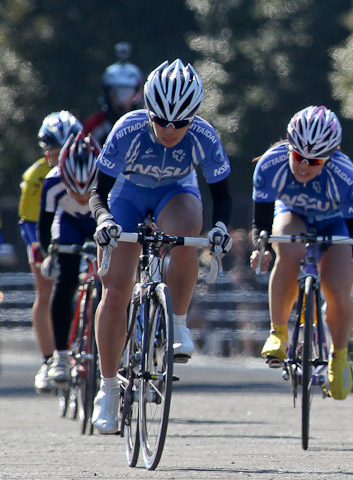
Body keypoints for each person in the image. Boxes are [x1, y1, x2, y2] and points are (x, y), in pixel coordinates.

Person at [89, 59, 233, 433]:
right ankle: (106, 389)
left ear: (194, 117)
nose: (171, 130)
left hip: (175, 193)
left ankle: (178, 322)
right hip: (127, 196)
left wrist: (219, 228)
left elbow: (222, 196)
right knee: (116, 288)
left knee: (188, 232)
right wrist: (105, 221)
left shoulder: (205, 135)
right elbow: (98, 192)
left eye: (180, 123)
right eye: (162, 121)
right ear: (148, 112)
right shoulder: (127, 129)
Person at [250, 105, 353, 401]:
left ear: (330, 157)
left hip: (336, 221)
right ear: (289, 149)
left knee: (337, 289)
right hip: (293, 213)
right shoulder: (269, 164)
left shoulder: (344, 174)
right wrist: (261, 248)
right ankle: (278, 332)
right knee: (287, 249)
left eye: (315, 161)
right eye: (298, 157)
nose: (304, 166)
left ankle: (339, 357)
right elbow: (261, 224)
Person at [19, 111, 82, 392]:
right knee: (46, 289)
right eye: (54, 152)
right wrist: (43, 251)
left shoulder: (88, 164)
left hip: (78, 228)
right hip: (41, 230)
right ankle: (48, 361)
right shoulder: (36, 177)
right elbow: (31, 221)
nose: (60, 158)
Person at [37, 134, 100, 384]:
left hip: (99, 219)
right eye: (75, 190)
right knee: (65, 281)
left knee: (111, 281)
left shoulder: (110, 178)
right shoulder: (52, 182)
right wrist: (48, 254)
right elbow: (44, 227)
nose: (82, 198)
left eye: (88, 190)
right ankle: (61, 355)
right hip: (69, 224)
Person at [83, 42, 143, 146]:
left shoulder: (147, 123)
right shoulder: (93, 126)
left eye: (127, 92)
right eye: (116, 92)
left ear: (136, 94)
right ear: (107, 94)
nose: (122, 99)